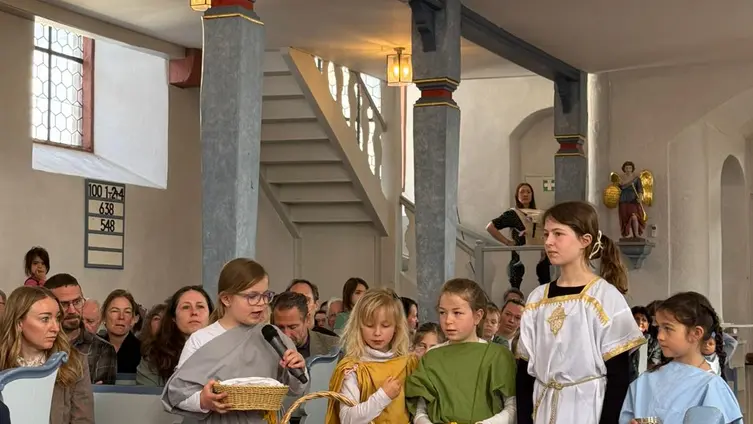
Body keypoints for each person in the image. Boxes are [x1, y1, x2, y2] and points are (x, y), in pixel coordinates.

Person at [516, 201, 645, 424]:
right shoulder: (537, 298)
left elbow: (619, 375)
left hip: (587, 409)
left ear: (585, 240)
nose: (548, 242)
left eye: (558, 234)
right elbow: (524, 371)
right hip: (543, 407)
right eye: (546, 234)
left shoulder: (603, 297)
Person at [162, 258, 308, 423]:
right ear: (226, 299)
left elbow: (296, 389)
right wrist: (203, 401)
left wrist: (299, 370)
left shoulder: (273, 336)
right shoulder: (201, 339)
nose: (261, 303)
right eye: (252, 296)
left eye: (265, 295)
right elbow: (178, 394)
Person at [620, 292, 743, 424]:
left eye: (668, 328)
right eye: (659, 327)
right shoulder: (644, 382)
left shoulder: (711, 387)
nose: (659, 336)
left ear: (696, 333)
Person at [406, 278, 516, 424]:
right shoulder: (431, 357)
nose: (448, 320)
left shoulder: (498, 356)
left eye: (457, 313)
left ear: (477, 316)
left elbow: (512, 407)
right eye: (442, 312)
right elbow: (420, 410)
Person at [0, 286, 93, 424]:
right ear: (19, 323)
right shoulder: (2, 362)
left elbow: (84, 420)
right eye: (45, 319)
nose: (56, 328)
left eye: (57, 318)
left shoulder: (74, 362)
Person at [325, 288, 416, 424]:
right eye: (369, 325)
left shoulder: (408, 364)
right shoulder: (353, 368)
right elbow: (348, 419)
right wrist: (383, 396)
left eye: (385, 325)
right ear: (358, 326)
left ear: (396, 327)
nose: (377, 333)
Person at [45, 273, 117, 384]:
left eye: (77, 302)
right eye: (64, 304)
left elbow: (96, 393)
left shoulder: (102, 349)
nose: (72, 310)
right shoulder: (39, 344)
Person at [137, 286, 213, 386]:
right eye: (186, 307)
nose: (194, 312)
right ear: (173, 317)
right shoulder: (154, 355)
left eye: (200, 306)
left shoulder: (225, 350)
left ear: (210, 314)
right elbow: (148, 394)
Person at [486, 183, 551, 289]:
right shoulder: (512, 214)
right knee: (518, 289)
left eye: (528, 192)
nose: (525, 194)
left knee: (542, 289)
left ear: (532, 195)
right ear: (517, 195)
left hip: (540, 260)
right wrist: (508, 242)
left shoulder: (541, 214)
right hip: (519, 261)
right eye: (522, 192)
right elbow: (490, 227)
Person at [271, 291, 339, 358]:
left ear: (307, 319)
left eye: (292, 327)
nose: (286, 334)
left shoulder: (333, 346)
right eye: (280, 327)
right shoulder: (267, 349)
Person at [100, 289, 142, 373]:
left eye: (127, 312)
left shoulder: (144, 352)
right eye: (115, 311)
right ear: (103, 316)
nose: (121, 317)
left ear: (133, 319)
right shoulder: (92, 348)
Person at [628, 306, 661, 382]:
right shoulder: (623, 341)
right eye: (636, 319)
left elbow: (654, 364)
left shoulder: (654, 343)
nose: (640, 322)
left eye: (644, 320)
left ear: (648, 325)